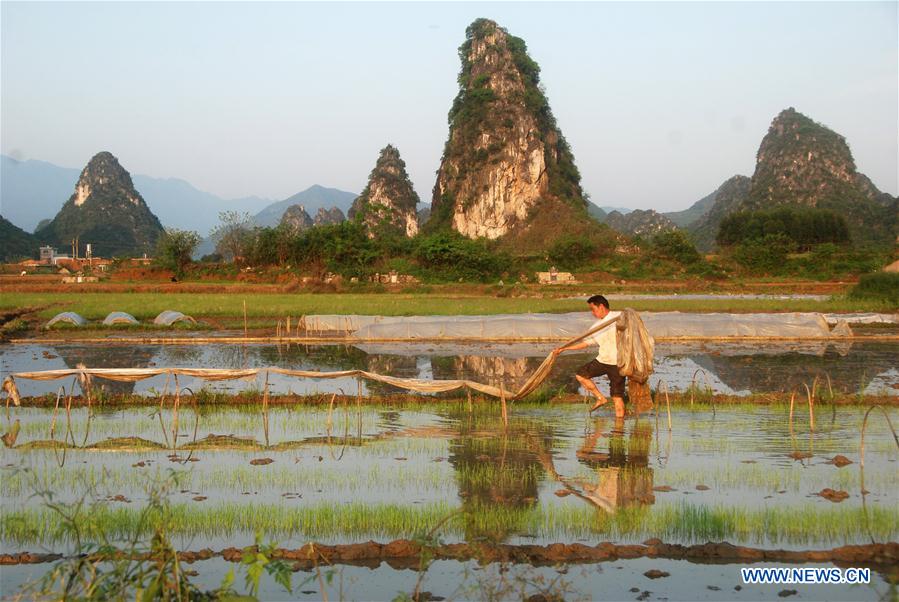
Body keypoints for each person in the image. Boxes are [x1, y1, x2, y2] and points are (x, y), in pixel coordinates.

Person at [552, 295, 625, 417]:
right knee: (581, 375)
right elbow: (586, 343)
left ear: (601, 306)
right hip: (602, 360)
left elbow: (634, 327)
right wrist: (564, 348)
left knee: (617, 397)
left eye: (593, 309)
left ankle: (618, 431)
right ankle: (600, 398)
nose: (592, 313)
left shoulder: (620, 317)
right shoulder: (596, 327)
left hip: (618, 363)